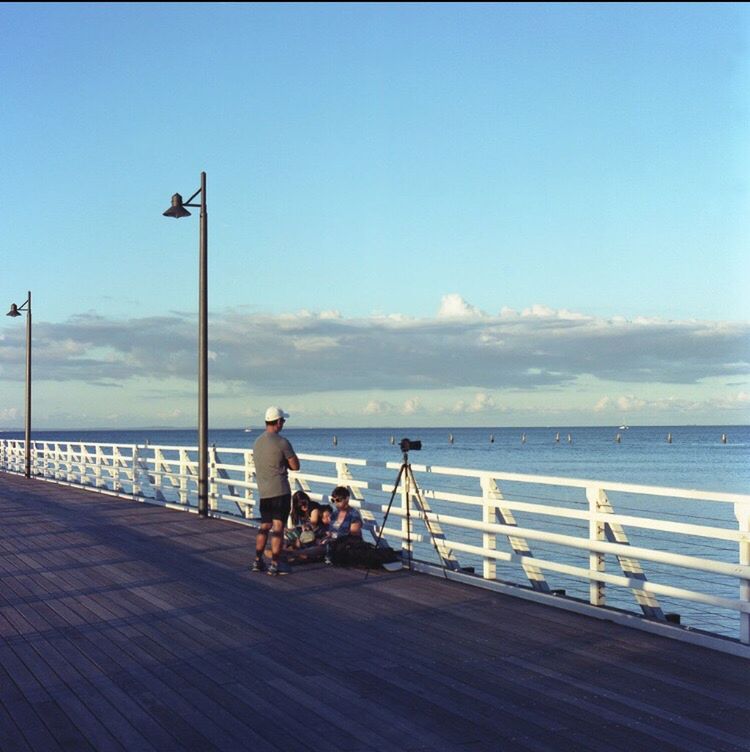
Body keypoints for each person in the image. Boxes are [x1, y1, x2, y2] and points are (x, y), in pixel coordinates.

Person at [251, 406, 300, 576]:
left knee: (264, 526)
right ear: (278, 422)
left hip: (264, 491)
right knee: (278, 527)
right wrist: (284, 463)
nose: (283, 424)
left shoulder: (257, 442)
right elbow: (296, 466)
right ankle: (275, 564)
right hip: (280, 490)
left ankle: (257, 561)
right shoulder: (282, 442)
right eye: (283, 421)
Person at [324, 486, 362, 565]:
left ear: (347, 499)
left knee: (321, 548)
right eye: (333, 500)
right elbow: (331, 529)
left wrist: (334, 537)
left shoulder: (354, 514)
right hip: (332, 542)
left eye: (338, 500)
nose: (335, 503)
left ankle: (296, 554)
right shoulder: (335, 513)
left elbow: (354, 533)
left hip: (345, 545)